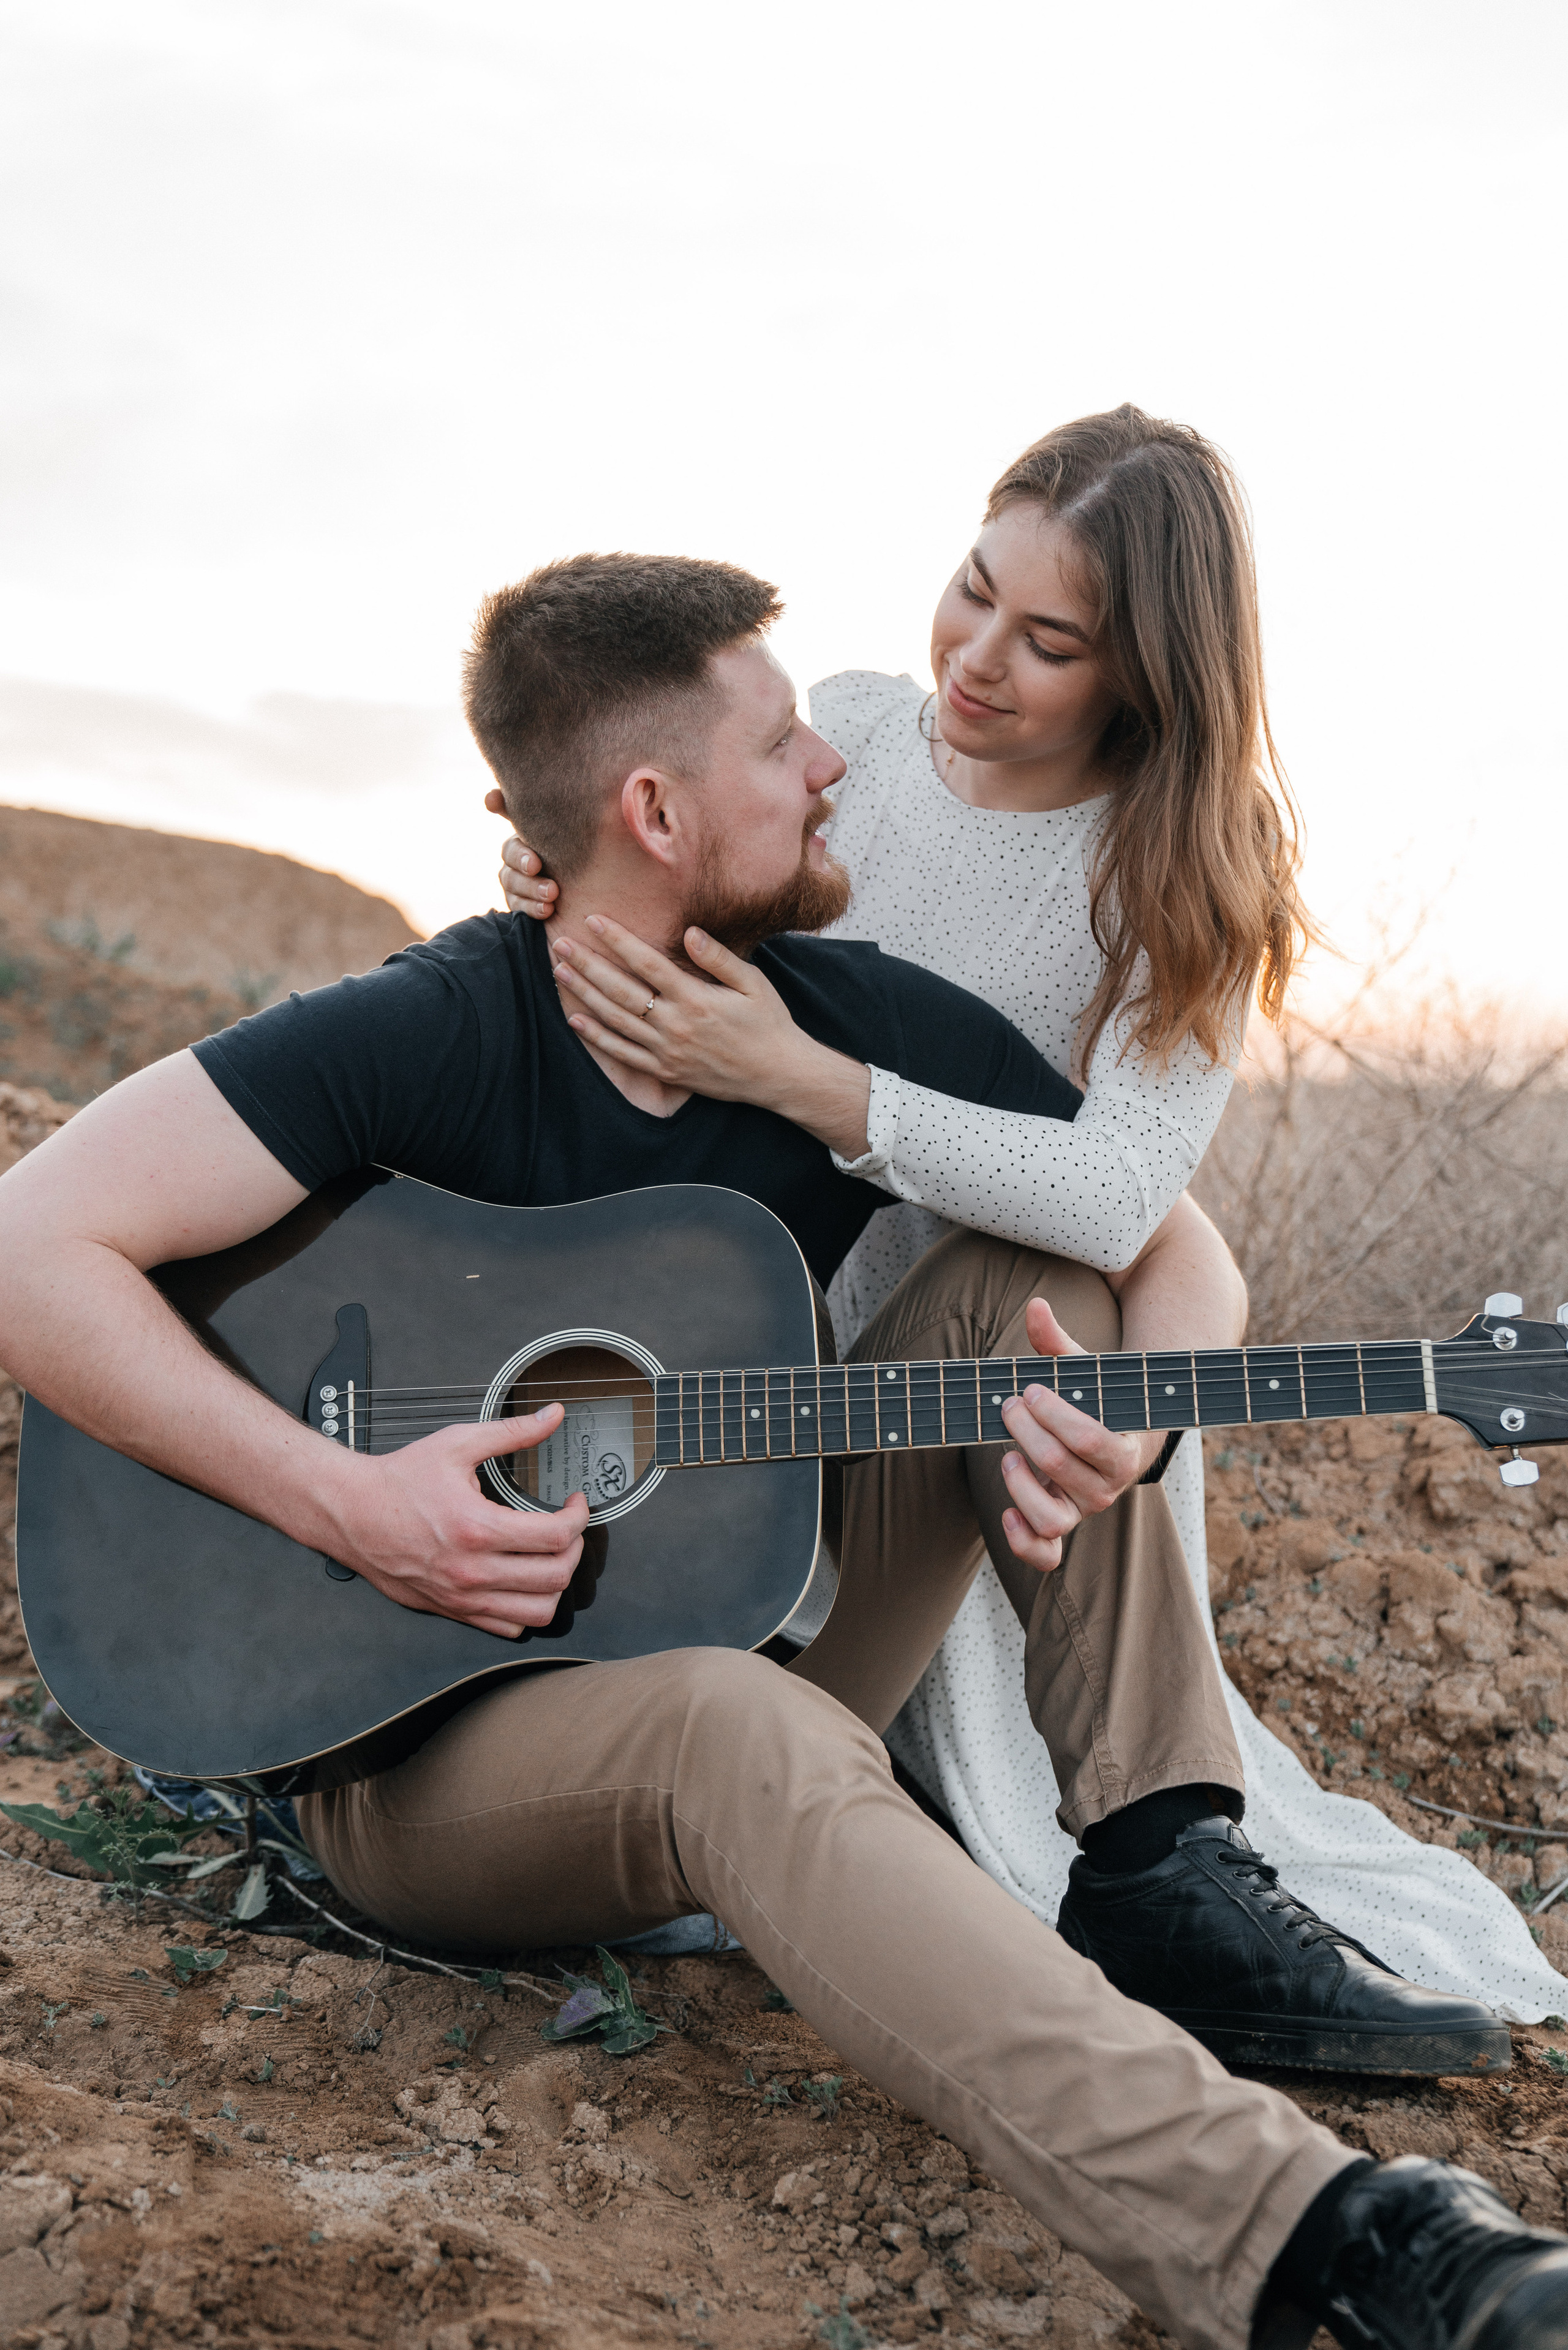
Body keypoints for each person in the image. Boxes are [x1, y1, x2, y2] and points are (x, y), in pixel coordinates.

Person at [2, 554, 1564, 2350]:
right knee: (740, 1734)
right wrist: (352, 1503)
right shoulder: (440, 1025)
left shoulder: (833, 1016)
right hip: (412, 1760)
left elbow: (1159, 1235)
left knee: (1042, 1284)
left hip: (747, 1639)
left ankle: (1159, 1864)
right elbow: (26, 1249)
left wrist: (1140, 1416)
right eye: (779, 739)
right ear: (654, 811)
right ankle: (1327, 2248)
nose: (835, 764)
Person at [494, 407, 1558, 2055]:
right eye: (973, 588)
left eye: (1050, 641)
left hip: (985, 1413)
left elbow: (1133, 1207)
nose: (977, 659)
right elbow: (645, 910)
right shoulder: (838, 735)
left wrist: (814, 1084)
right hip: (715, 1369)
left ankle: (1160, 1857)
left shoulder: (1175, 865)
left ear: (1147, 675)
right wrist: (565, 877)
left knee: (1047, 1286)